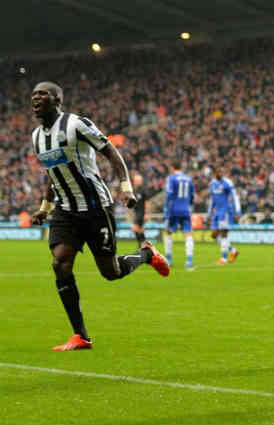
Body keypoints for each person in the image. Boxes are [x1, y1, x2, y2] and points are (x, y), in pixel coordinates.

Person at [29, 81, 170, 351]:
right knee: (60, 263)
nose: (36, 98)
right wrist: (45, 208)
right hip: (66, 210)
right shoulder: (36, 136)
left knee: (111, 271)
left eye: (42, 94)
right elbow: (53, 171)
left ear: (57, 99)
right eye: (34, 94)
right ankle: (80, 335)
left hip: (95, 207)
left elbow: (112, 152)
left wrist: (126, 189)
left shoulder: (77, 124)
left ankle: (147, 254)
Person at [163, 160, 195, 269]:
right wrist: (188, 205)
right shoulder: (189, 178)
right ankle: (189, 261)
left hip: (174, 210)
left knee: (168, 233)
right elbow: (192, 195)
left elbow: (169, 194)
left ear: (172, 168)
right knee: (188, 234)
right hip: (186, 209)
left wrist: (166, 209)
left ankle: (169, 259)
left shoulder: (171, 178)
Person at [208, 167, 241, 265]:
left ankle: (224, 259)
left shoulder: (227, 182)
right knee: (214, 235)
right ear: (215, 174)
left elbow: (235, 196)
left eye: (222, 171)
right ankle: (234, 251)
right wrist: (210, 212)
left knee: (223, 234)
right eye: (218, 172)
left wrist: (238, 211)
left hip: (225, 211)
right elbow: (212, 199)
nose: (221, 173)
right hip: (216, 212)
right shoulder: (212, 184)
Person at [131, 173, 150, 247]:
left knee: (134, 228)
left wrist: (146, 214)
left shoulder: (143, 190)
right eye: (136, 180)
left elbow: (147, 202)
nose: (138, 181)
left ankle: (142, 245)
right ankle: (144, 246)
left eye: (139, 180)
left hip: (141, 212)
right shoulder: (133, 190)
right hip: (136, 212)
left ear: (141, 181)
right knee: (140, 229)